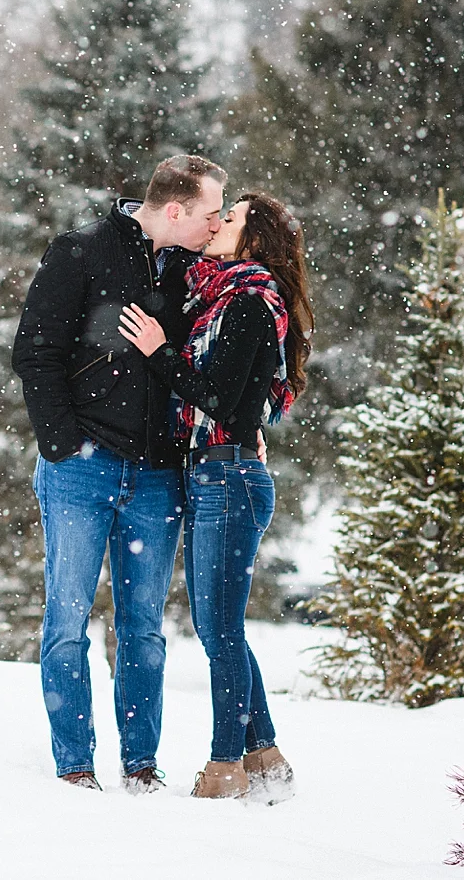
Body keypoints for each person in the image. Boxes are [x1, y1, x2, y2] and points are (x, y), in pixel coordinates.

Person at [12, 155, 227, 793]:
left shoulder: (196, 276)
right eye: (210, 214)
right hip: (81, 468)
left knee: (143, 629)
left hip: (157, 477)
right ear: (175, 210)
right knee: (68, 621)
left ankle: (141, 766)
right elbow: (36, 351)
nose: (216, 227)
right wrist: (63, 445)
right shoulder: (81, 253)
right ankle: (75, 766)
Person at [118, 189, 313, 801]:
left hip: (228, 479)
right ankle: (266, 755)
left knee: (220, 629)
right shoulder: (221, 295)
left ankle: (226, 765)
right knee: (216, 624)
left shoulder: (252, 303)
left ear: (254, 239)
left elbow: (220, 398)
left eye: (231, 218)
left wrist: (158, 354)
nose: (219, 222)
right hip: (217, 475)